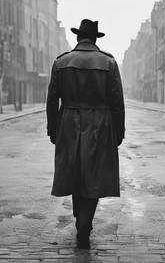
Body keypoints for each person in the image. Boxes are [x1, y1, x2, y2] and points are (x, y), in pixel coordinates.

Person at [46, 19, 125, 249]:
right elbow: (117, 102)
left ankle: (82, 221)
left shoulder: (61, 62)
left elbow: (52, 100)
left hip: (69, 123)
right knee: (94, 175)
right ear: (95, 38)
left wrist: (53, 130)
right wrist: (118, 132)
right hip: (100, 124)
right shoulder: (108, 63)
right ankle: (84, 223)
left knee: (74, 173)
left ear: (78, 37)